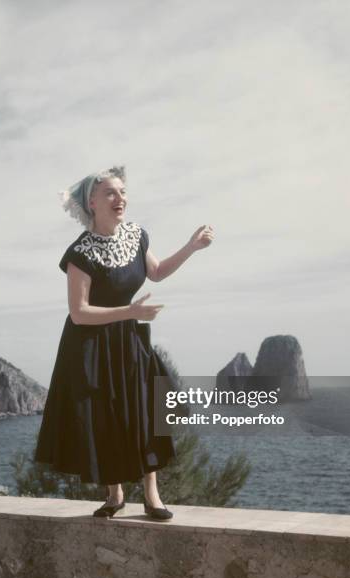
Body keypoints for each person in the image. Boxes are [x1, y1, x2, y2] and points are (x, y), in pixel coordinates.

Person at [33, 165, 214, 520]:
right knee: (106, 417)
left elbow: (157, 272)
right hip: (90, 346)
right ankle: (114, 494)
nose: (120, 199)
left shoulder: (136, 235)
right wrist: (130, 312)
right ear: (92, 202)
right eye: (111, 193)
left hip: (130, 338)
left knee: (146, 411)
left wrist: (191, 247)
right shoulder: (80, 253)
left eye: (123, 192)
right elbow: (79, 313)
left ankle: (152, 495)